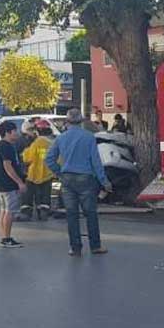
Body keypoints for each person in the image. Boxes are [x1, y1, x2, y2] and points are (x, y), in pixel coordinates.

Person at [45, 108, 113, 256]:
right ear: (81, 121)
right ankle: (95, 246)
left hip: (67, 179)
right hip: (86, 179)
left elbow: (49, 159)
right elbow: (96, 162)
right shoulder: (89, 137)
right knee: (90, 213)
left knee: (72, 215)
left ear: (67, 122)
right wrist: (104, 181)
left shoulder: (60, 138)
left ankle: (75, 248)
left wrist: (60, 172)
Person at [0, 121, 26, 248]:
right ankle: (6, 238)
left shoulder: (4, 145)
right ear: (8, 132)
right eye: (15, 131)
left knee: (4, 210)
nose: (17, 133)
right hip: (8, 184)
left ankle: (5, 236)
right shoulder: (5, 146)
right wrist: (20, 182)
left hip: (3, 184)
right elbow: (8, 166)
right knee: (9, 211)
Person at [21, 119, 55, 221]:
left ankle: (26, 213)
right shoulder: (52, 143)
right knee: (45, 195)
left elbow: (28, 158)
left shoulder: (35, 143)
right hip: (47, 174)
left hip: (33, 174)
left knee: (29, 194)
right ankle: (43, 212)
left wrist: (25, 151)